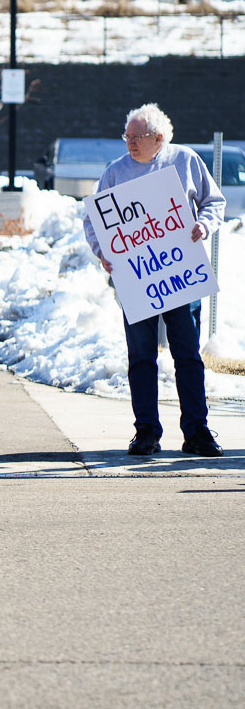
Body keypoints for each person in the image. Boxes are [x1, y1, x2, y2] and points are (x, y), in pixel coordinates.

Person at [81, 103, 225, 457]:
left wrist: (203, 225)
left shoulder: (186, 161)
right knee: (141, 357)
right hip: (138, 279)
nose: (129, 142)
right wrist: (103, 251)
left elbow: (214, 202)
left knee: (187, 355)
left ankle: (197, 431)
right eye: (126, 136)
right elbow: (94, 219)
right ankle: (146, 431)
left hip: (180, 276)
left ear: (159, 138)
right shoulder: (116, 171)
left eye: (136, 137)